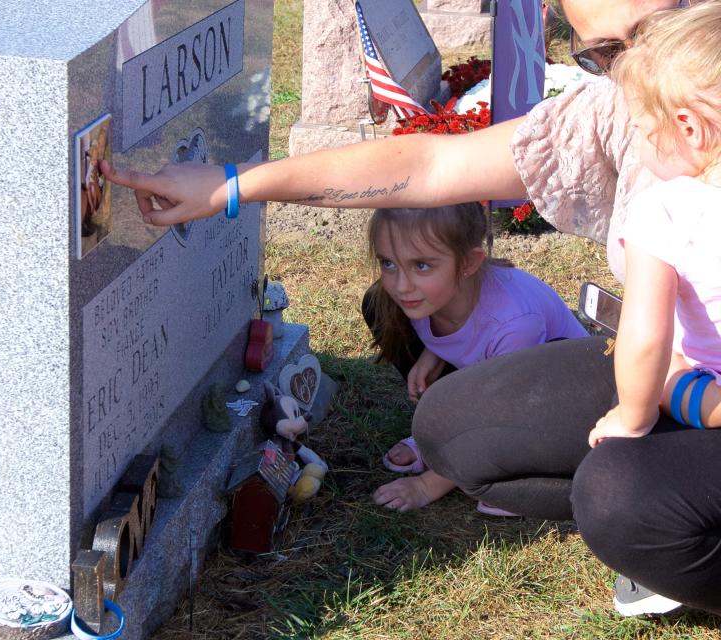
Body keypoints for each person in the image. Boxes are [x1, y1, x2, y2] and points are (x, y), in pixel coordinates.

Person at [102, 0, 721, 618]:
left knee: (617, 499)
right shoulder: (630, 104)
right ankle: (670, 493)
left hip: (689, 384)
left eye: (652, 33)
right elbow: (432, 164)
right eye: (604, 54)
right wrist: (232, 185)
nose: (637, 67)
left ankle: (668, 518)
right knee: (451, 429)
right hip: (670, 366)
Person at [365, 204, 587, 513]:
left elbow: (502, 414)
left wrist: (426, 486)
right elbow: (465, 333)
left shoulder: (513, 323)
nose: (401, 285)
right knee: (377, 304)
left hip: (560, 408)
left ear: (469, 262)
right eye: (388, 263)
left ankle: (528, 473)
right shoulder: (424, 294)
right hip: (498, 383)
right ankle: (448, 442)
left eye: (422, 265)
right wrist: (436, 352)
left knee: (497, 483)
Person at [589, 3, 721, 450]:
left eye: (642, 129)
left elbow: (645, 341)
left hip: (713, 387)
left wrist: (632, 416)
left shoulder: (664, 210)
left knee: (666, 370)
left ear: (688, 127)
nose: (640, 141)